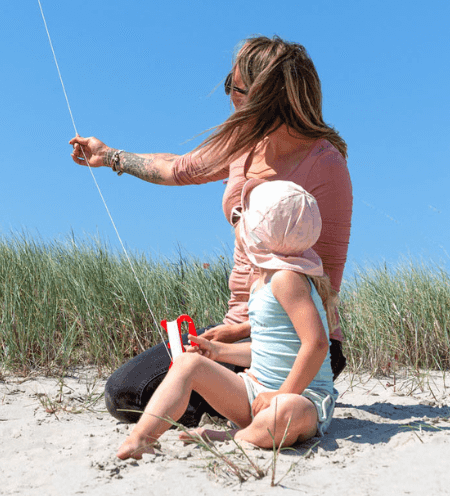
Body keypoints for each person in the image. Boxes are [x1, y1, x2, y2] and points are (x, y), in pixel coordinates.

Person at [69, 35, 352, 427]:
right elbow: (177, 167)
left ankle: (259, 406)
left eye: (233, 87)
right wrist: (110, 157)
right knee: (125, 391)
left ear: (263, 95)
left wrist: (244, 331)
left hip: (292, 340)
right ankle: (231, 399)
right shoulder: (243, 143)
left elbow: (327, 290)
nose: (229, 95)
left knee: (136, 397)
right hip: (237, 329)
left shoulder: (326, 166)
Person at [115, 179, 339, 459]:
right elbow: (269, 349)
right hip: (254, 392)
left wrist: (281, 394)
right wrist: (219, 351)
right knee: (189, 363)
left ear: (259, 232)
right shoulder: (263, 280)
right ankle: (141, 437)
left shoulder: (287, 279)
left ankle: (231, 435)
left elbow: (317, 344)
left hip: (300, 399)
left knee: (285, 412)